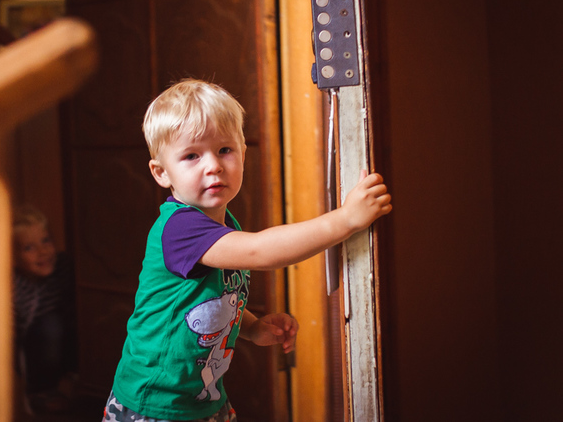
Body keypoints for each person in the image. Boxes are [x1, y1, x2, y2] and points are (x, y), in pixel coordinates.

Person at [103, 79, 392, 422]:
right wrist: (345, 220)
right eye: (192, 155)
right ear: (161, 173)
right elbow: (261, 252)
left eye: (224, 150)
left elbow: (209, 297)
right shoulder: (180, 229)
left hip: (203, 400)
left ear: (243, 154)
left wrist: (252, 327)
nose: (213, 165)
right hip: (152, 403)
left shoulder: (223, 224)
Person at [12, 205, 77, 415]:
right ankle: (41, 390)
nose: (43, 252)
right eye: (29, 248)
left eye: (46, 240)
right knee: (51, 325)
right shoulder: (14, 284)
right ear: (13, 257)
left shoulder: (63, 266)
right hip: (35, 348)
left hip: (64, 339)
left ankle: (71, 376)